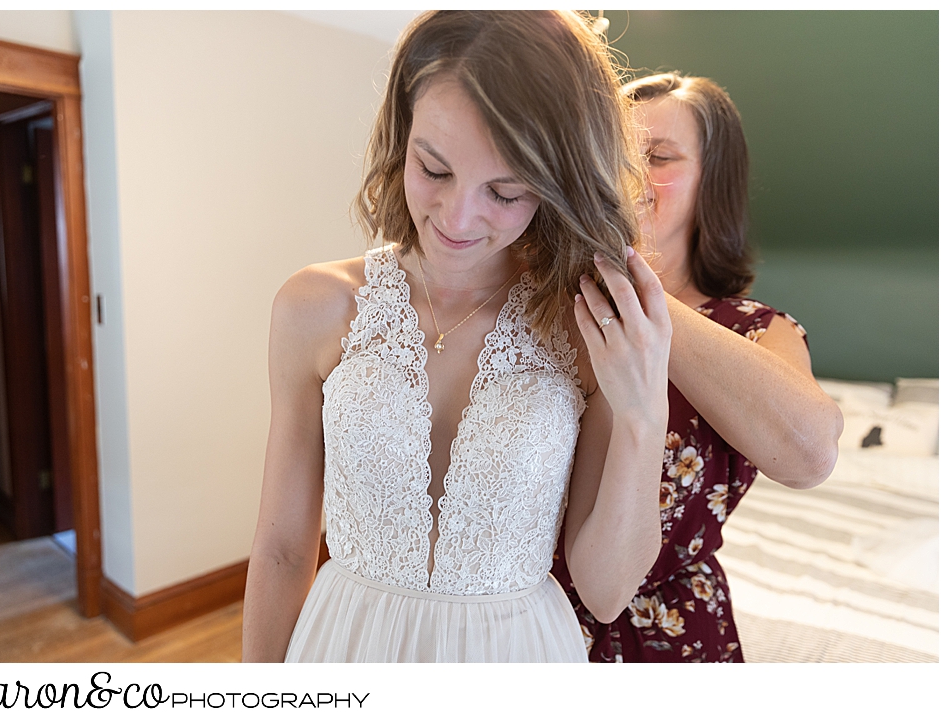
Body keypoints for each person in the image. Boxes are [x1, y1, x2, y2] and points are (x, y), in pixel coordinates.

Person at [241, 11, 673, 663]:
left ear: (555, 188)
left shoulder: (583, 328)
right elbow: (280, 545)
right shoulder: (315, 307)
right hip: (346, 646)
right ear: (402, 136)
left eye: (504, 191)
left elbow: (607, 591)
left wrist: (644, 413)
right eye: (434, 169)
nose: (458, 218)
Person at [551, 72, 844, 662]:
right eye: (613, 157)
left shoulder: (754, 331)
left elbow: (810, 455)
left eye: (657, 157)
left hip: (670, 638)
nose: (629, 175)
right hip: (516, 624)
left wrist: (635, 287)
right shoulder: (544, 308)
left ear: (712, 182)